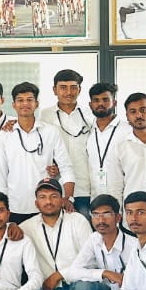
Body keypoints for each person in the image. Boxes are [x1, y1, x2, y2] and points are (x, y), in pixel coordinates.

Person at [19, 177, 93, 290]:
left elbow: (90, 261)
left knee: (86, 288)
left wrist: (60, 274)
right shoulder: (26, 227)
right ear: (36, 203)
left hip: (76, 285)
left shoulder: (78, 221)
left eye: (53, 196)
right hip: (48, 289)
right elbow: (2, 234)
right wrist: (10, 227)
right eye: (43, 197)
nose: (48, 201)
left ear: (62, 200)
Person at [0, 82, 74, 220]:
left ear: (37, 104)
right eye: (20, 100)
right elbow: (1, 174)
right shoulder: (5, 134)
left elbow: (66, 167)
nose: (25, 104)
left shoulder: (51, 132)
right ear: (14, 105)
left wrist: (68, 198)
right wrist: (2, 205)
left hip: (47, 205)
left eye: (29, 100)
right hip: (15, 205)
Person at [38, 70, 93, 217]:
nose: (69, 92)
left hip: (85, 186)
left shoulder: (89, 115)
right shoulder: (45, 115)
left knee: (84, 226)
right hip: (56, 186)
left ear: (79, 90)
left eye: (73, 87)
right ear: (54, 90)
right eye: (63, 87)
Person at [106, 93, 146, 203]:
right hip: (132, 209)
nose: (138, 115)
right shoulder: (120, 148)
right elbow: (115, 187)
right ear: (127, 116)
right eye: (133, 112)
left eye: (143, 110)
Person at [83, 81, 129, 212]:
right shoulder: (88, 131)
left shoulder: (128, 130)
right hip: (95, 199)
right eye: (96, 100)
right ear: (90, 105)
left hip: (123, 199)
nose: (100, 104)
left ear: (114, 102)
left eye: (105, 100)